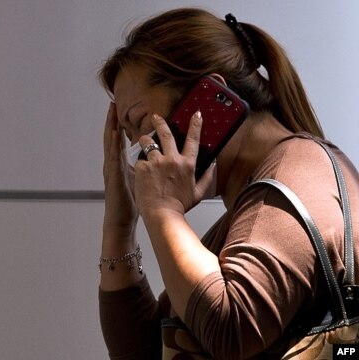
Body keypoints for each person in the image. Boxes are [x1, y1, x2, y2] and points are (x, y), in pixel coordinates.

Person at [97, 7, 359, 359]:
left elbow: (230, 331)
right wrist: (119, 226)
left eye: (140, 121)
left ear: (207, 100)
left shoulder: (292, 181)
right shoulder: (255, 208)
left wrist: (163, 210)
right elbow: (142, 351)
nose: (140, 151)